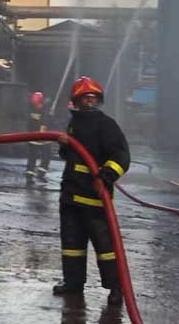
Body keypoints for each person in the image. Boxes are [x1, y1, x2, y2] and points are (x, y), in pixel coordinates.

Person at [53, 76, 129, 307]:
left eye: (92, 97)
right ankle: (73, 283)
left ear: (98, 99)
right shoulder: (74, 123)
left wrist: (105, 176)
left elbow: (121, 156)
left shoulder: (106, 125)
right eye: (85, 98)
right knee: (72, 246)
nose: (89, 101)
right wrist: (65, 145)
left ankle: (116, 289)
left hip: (94, 200)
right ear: (76, 101)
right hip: (71, 197)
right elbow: (71, 156)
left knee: (106, 248)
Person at [25, 91, 51, 182]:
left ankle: (31, 173)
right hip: (42, 138)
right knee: (45, 155)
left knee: (33, 156)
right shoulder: (43, 111)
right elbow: (44, 123)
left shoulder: (30, 110)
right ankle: (38, 173)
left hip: (33, 137)